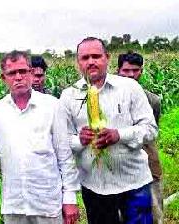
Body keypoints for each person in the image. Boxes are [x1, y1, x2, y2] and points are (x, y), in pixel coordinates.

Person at [55, 37, 158, 224]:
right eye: (85, 58)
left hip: (134, 182)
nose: (91, 62)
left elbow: (150, 129)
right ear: (78, 62)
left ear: (107, 58)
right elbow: (62, 142)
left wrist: (118, 135)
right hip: (94, 186)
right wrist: (80, 140)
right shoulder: (68, 96)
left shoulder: (130, 88)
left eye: (96, 56)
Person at [0, 50, 79, 224]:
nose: (18, 77)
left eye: (23, 71)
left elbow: (65, 155)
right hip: (14, 204)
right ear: (3, 78)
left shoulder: (52, 106)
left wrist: (70, 198)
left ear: (30, 73)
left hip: (47, 202)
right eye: (12, 73)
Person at [118, 51, 163, 224]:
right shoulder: (108, 98)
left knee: (153, 214)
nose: (131, 75)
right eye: (126, 71)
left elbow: (151, 132)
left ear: (141, 71)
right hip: (120, 168)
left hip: (148, 166)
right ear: (118, 71)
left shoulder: (153, 100)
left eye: (135, 70)